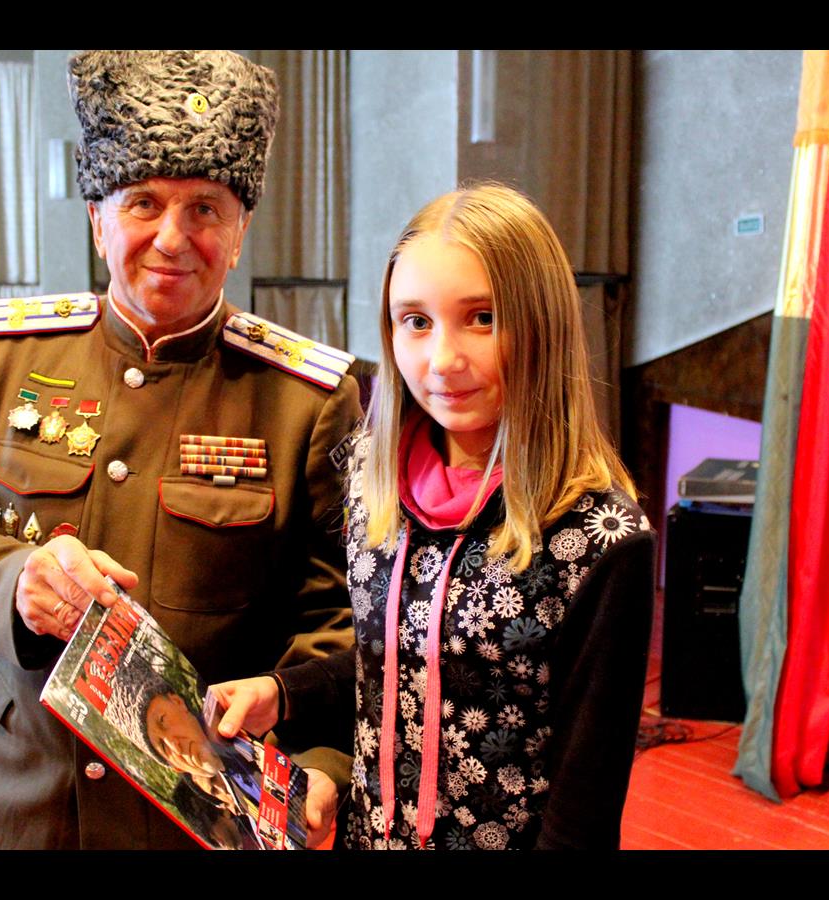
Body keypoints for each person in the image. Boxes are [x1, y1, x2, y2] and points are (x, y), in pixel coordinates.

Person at [0, 49, 359, 850]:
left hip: (197, 821)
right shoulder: (11, 359)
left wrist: (323, 761)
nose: (172, 239)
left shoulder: (306, 401)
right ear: (97, 220)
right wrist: (17, 582)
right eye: (143, 202)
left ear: (241, 232)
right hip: (24, 806)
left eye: (206, 209)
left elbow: (339, 617)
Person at [211, 184, 655, 850]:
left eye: (482, 318)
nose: (443, 361)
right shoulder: (371, 478)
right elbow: (406, 656)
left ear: (544, 325)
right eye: (416, 321)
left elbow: (583, 805)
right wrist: (286, 692)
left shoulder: (598, 538)